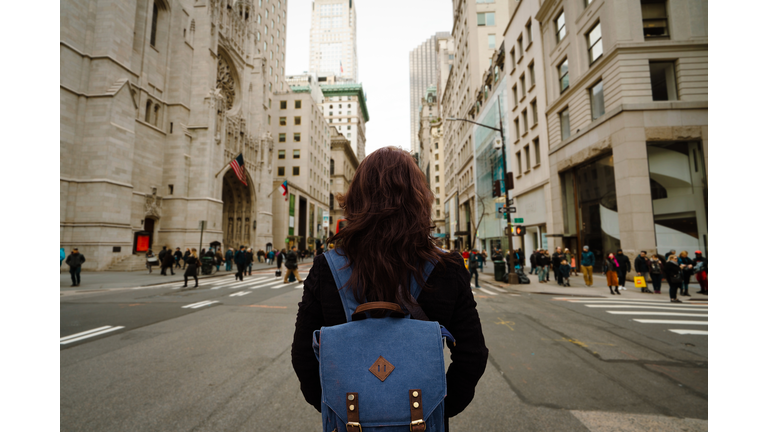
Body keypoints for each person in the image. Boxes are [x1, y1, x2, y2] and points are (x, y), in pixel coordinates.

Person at [291, 147, 488, 426]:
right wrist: (437, 409)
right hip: (424, 421)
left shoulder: (327, 267)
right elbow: (473, 354)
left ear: (356, 200)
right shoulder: (448, 267)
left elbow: (303, 355)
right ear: (420, 200)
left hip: (350, 422)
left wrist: (336, 409)